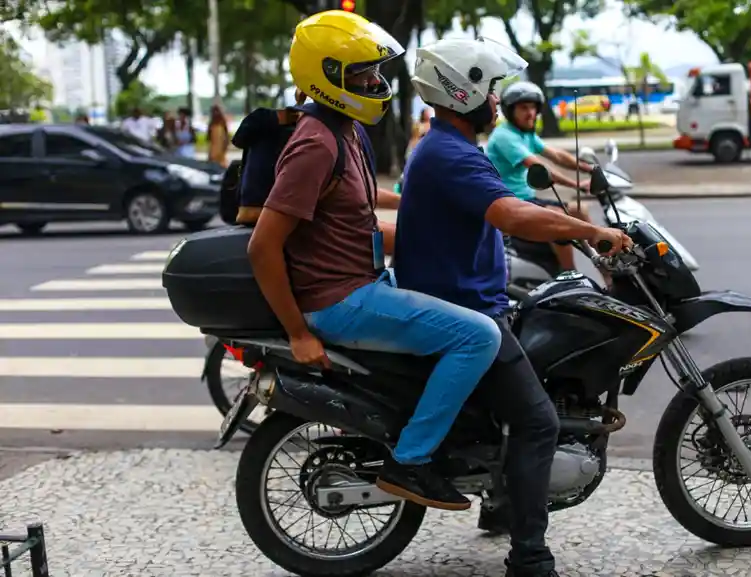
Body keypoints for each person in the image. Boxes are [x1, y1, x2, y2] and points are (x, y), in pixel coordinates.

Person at [247, 9, 503, 512]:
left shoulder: (344, 129)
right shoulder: (315, 143)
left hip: (364, 283)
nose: (374, 82)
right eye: (362, 74)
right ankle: (411, 460)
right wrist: (298, 334)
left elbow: (355, 218)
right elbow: (263, 245)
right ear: (325, 76)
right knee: (479, 336)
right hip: (340, 302)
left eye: (375, 71)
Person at [396, 37, 632, 577]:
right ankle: (530, 557)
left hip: (472, 299)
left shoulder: (448, 147)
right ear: (463, 92)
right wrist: (589, 231)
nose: (497, 100)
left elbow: (507, 206)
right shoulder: (450, 154)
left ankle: (501, 505)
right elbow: (511, 213)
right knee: (538, 422)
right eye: (491, 90)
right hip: (466, 311)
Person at [486, 81, 611, 285]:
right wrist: (576, 185)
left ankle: (604, 268)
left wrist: (590, 169)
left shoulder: (525, 134)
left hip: (528, 199)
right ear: (510, 111)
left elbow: (557, 155)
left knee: (579, 210)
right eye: (524, 108)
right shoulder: (505, 136)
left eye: (533, 108)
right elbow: (540, 168)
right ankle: (571, 277)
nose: (530, 113)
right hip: (512, 203)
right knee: (559, 216)